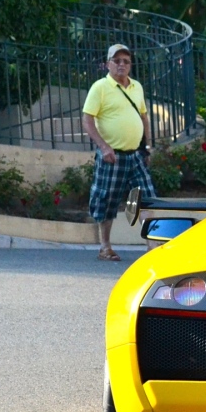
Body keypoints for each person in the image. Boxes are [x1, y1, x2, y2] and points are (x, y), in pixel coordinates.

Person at [82, 43, 155, 262]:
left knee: (147, 198)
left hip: (135, 156)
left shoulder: (137, 87)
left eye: (126, 61)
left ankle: (152, 246)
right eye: (117, 61)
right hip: (112, 157)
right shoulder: (100, 87)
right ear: (108, 64)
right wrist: (104, 146)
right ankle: (105, 247)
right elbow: (87, 119)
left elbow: (143, 117)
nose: (121, 65)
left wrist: (148, 146)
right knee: (107, 201)